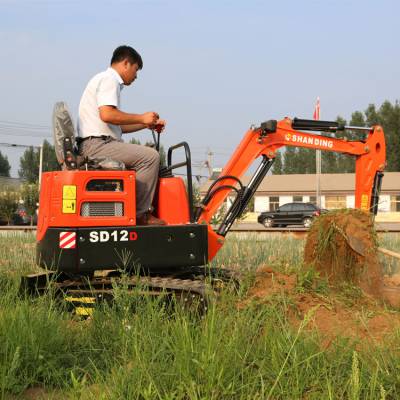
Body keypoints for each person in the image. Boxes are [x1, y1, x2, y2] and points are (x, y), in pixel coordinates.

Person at [77, 45, 166, 225]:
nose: (136, 76)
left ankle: (134, 210)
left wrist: (145, 123)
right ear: (126, 63)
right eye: (135, 70)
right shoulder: (110, 79)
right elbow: (108, 114)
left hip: (97, 143)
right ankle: (141, 214)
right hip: (97, 145)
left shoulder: (102, 80)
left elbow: (118, 127)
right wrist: (141, 116)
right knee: (150, 157)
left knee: (145, 156)